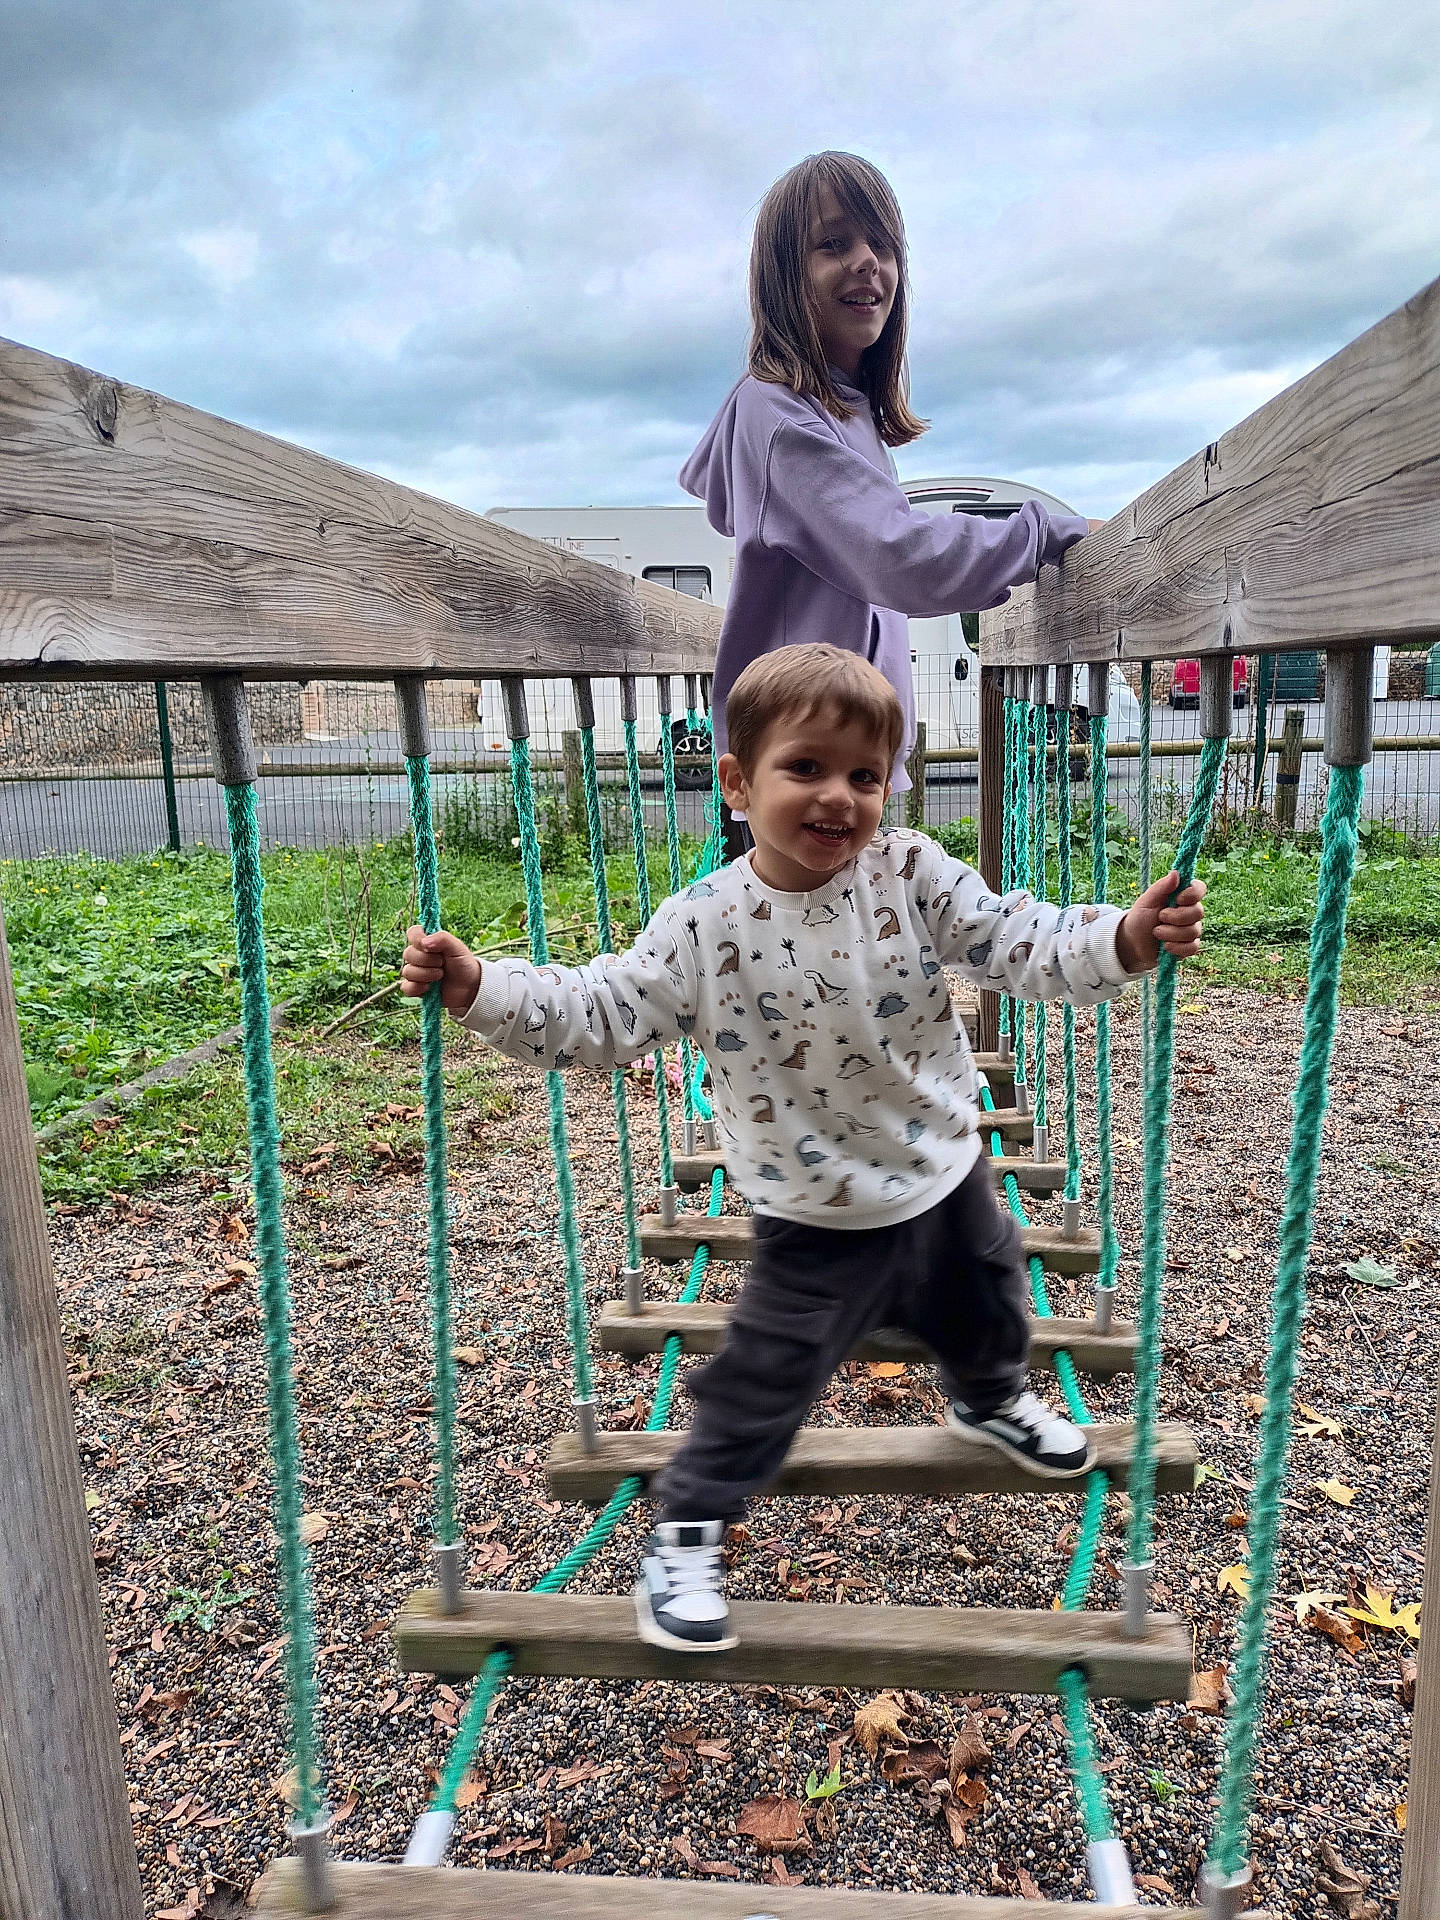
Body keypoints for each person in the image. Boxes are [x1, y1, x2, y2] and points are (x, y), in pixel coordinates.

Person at [400, 646, 1206, 1656]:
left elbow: (1012, 937)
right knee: (763, 1378)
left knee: (991, 1290)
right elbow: (603, 1011)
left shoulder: (910, 874)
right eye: (807, 768)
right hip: (811, 1207)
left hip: (945, 1164)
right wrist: (486, 988)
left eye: (865, 776)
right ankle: (686, 1531)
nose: (840, 798)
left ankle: (989, 1399)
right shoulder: (701, 924)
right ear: (738, 783)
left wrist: (1122, 939)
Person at [681, 150, 1101, 849]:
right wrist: (1045, 532)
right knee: (800, 954)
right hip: (798, 763)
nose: (868, 261)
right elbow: (899, 557)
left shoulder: (842, 414)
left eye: (883, 244)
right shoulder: (779, 414)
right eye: (834, 243)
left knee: (839, 953)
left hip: (832, 754)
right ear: (786, 275)